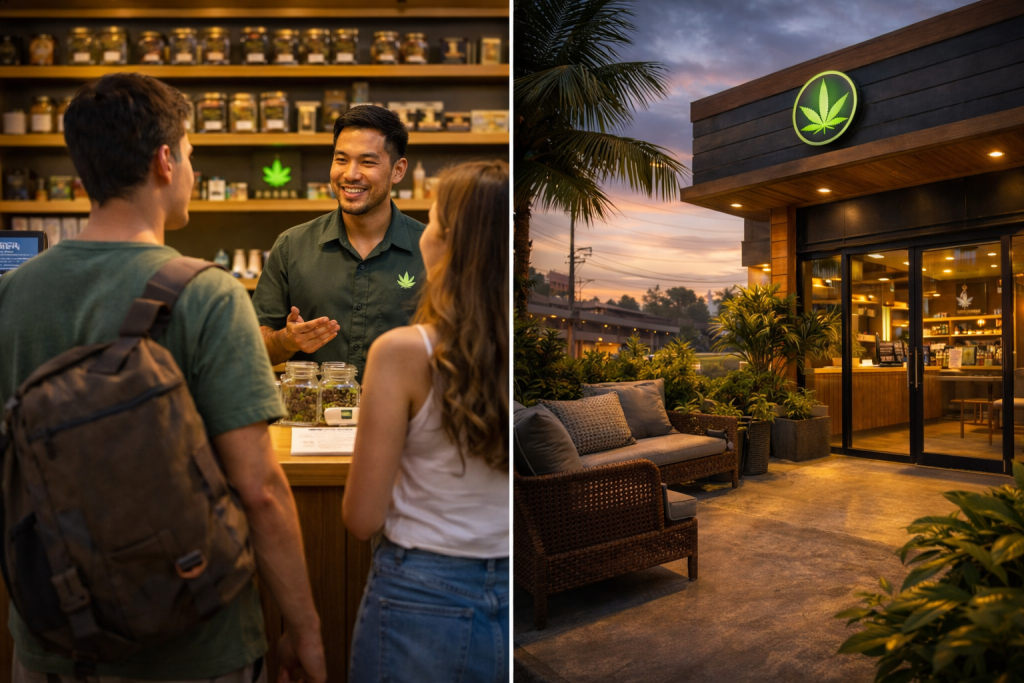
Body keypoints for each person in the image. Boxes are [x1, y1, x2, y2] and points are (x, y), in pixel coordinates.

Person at [0, 73, 326, 683]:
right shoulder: (208, 295)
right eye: (193, 156)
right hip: (196, 641)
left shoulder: (11, 294)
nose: (193, 174)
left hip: (54, 634)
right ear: (164, 160)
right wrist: (304, 626)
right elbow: (258, 490)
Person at [342, 160, 509, 682]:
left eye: (431, 220)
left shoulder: (402, 353)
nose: (421, 235)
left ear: (449, 241)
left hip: (420, 594)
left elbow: (361, 517)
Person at [253, 105, 426, 379]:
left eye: (367, 162)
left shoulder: (432, 250)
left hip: (406, 418)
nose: (350, 174)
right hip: (312, 418)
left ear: (398, 170)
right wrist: (287, 340)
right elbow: (253, 345)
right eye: (341, 159)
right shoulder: (292, 245)